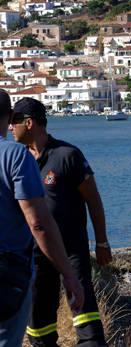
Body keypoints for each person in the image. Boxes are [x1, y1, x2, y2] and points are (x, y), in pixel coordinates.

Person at [11, 97, 109, 347]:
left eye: (14, 122)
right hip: (35, 255)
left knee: (87, 323)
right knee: (38, 330)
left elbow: (93, 200)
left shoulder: (68, 155)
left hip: (71, 251)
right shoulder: (18, 160)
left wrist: (102, 242)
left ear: (29, 123)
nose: (10, 127)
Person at [0, 90, 83, 347]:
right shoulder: (16, 156)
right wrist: (68, 274)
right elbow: (38, 223)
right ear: (11, 117)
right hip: (8, 271)